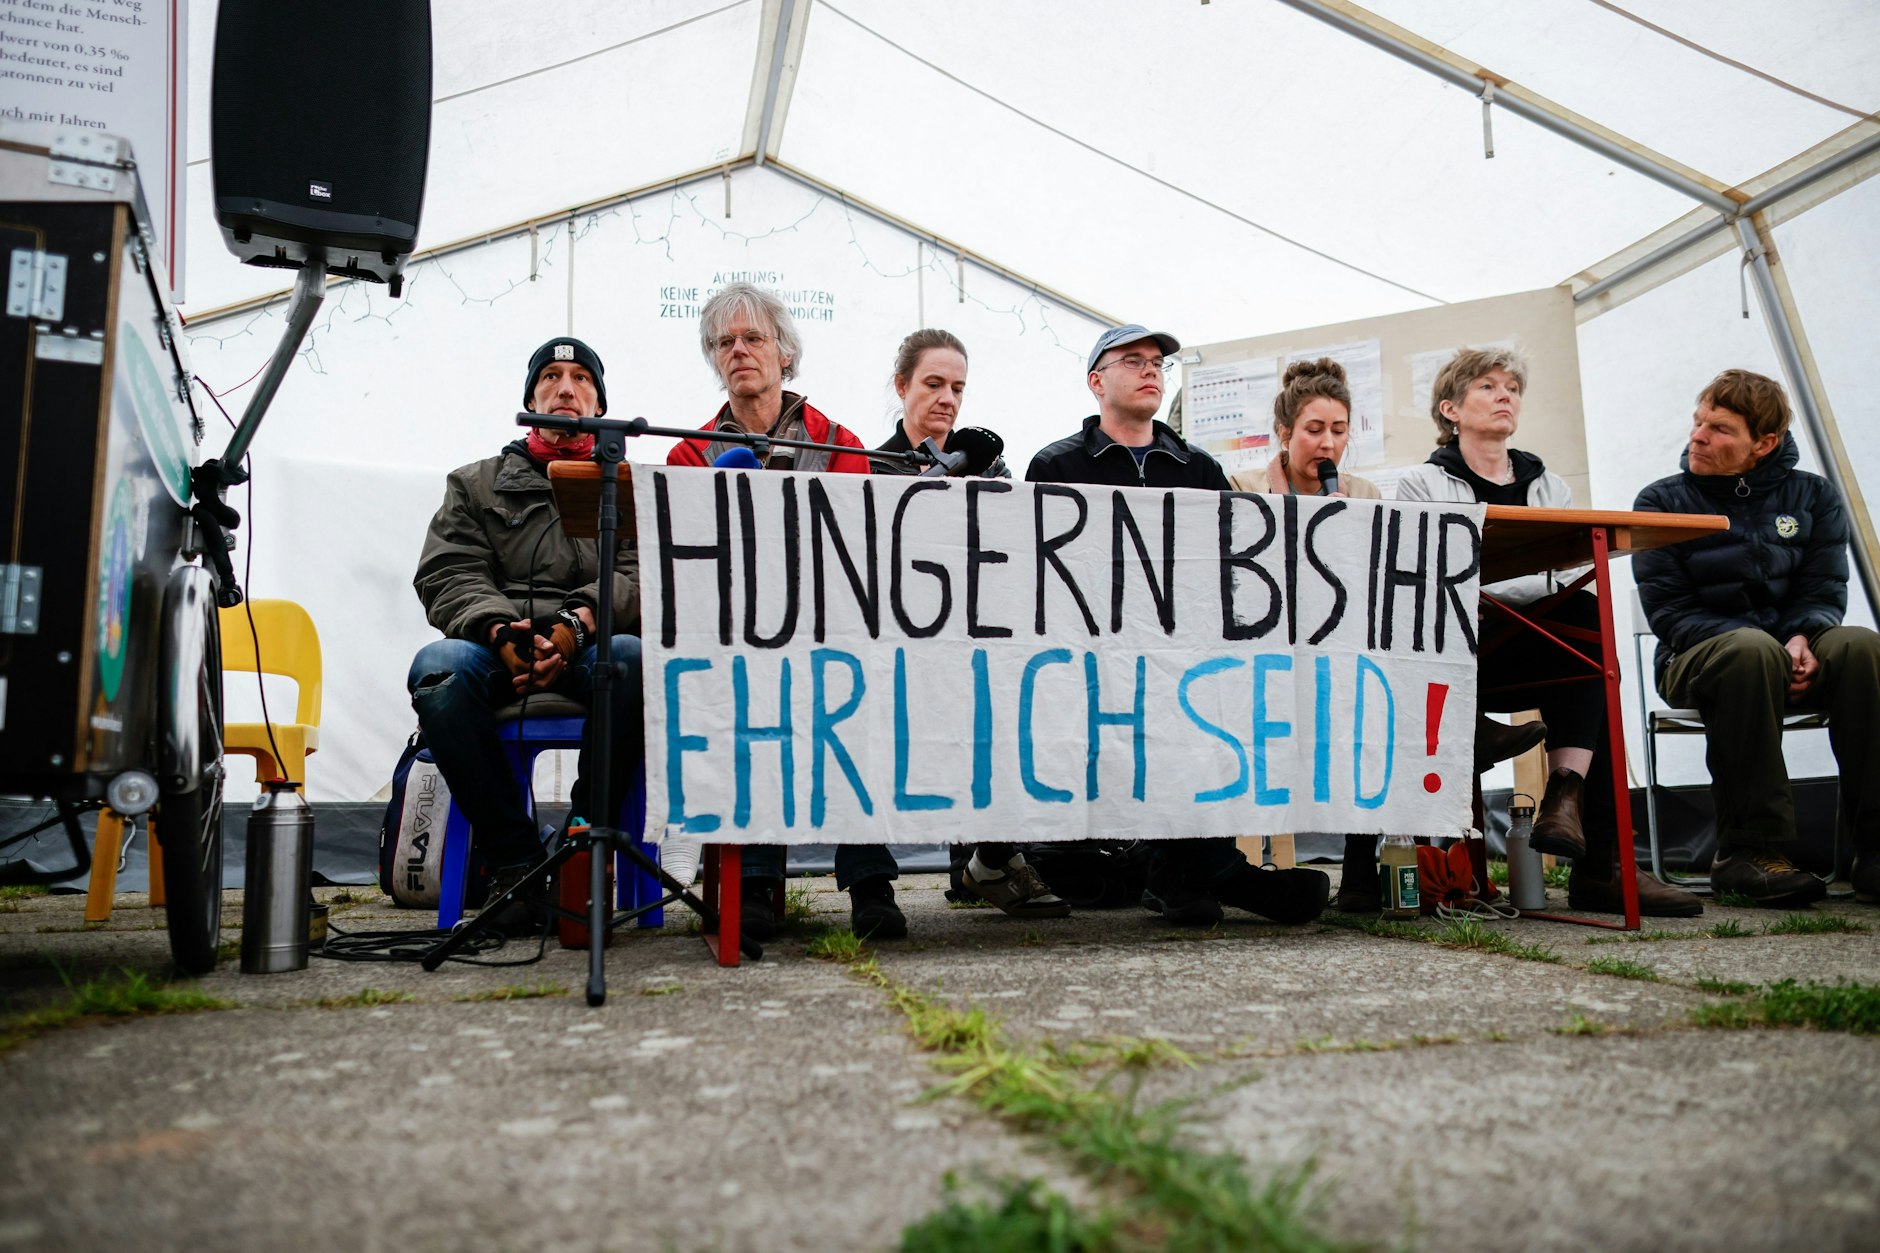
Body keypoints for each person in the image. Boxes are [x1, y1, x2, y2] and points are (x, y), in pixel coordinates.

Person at [1027, 323, 1332, 928]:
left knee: (1206, 701)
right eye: (1132, 361)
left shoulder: (1196, 466)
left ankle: (1185, 872)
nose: (1149, 371)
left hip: (1185, 657)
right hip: (1093, 660)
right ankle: (1211, 870)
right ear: (1096, 381)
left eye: (1157, 364)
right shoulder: (1057, 464)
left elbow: (1231, 561)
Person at [1396, 347, 1700, 916]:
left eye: (1512, 386)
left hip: (1529, 640)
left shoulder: (1548, 485)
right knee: (1583, 646)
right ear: (1451, 409)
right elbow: (1431, 583)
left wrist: (1513, 592)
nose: (1505, 394)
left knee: (1590, 640)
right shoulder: (1419, 483)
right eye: (1488, 386)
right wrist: (1521, 590)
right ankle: (1599, 862)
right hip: (1458, 651)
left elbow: (1565, 581)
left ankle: (1568, 801)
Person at [668, 282, 904, 940]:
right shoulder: (687, 452)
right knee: (750, 687)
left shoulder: (841, 441)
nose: (739, 350)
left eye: (753, 337)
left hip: (831, 626)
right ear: (714, 360)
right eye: (724, 342)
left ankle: (870, 879)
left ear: (785, 352)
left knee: (855, 681)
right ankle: (753, 881)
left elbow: (866, 548)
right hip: (735, 636)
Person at [408, 337, 642, 931]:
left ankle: (583, 852)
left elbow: (648, 576)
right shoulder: (473, 484)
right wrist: (494, 630)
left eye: (582, 378)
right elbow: (449, 570)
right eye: (552, 377)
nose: (566, 388)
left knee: (631, 658)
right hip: (496, 648)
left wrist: (577, 623)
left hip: (592, 640)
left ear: (600, 400)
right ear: (531, 395)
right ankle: (515, 863)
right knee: (439, 667)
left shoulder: (631, 484)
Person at [1634, 369, 1880, 906]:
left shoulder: (1812, 497)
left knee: (1862, 646)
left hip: (1793, 654)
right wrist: (1770, 646)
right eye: (1698, 422)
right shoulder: (1661, 501)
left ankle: (1876, 852)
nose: (1697, 436)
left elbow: (1823, 589)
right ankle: (1748, 852)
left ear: (1763, 444)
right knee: (1750, 652)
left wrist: (1804, 638)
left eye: (1719, 429)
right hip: (1696, 661)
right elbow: (1670, 612)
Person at [868, 328, 1068, 919]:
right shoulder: (869, 467)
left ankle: (991, 856)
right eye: (933, 384)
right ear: (902, 386)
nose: (948, 398)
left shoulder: (988, 465)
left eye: (958, 387)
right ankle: (875, 883)